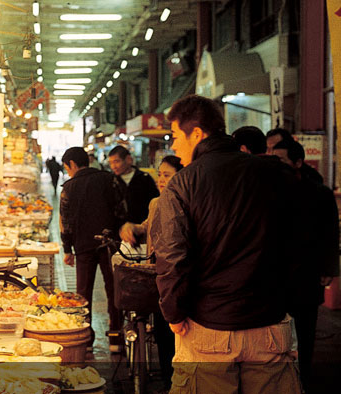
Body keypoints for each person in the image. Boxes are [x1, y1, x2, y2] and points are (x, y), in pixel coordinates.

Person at [151, 95, 302, 393]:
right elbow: (297, 243)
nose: (173, 146)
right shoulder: (275, 174)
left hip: (209, 330)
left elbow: (172, 259)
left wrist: (173, 313)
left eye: (176, 136)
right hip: (270, 327)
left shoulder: (183, 184)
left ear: (197, 133)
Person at [272, 139, 340, 392]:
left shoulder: (319, 192)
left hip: (307, 274)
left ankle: (304, 380)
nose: (275, 165)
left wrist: (329, 268)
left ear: (298, 162)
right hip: (277, 275)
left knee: (305, 330)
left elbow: (330, 233)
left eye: (280, 159)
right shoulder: (270, 190)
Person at [119, 155, 183, 389]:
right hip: (160, 270)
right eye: (160, 174)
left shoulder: (187, 202)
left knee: (176, 329)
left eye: (167, 175)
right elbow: (146, 226)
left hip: (178, 270)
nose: (161, 179)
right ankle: (169, 381)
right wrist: (130, 227)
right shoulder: (156, 203)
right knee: (165, 329)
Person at [59, 147, 127, 349]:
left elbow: (66, 221)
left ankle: (86, 339)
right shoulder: (109, 179)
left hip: (83, 246)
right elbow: (121, 210)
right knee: (114, 289)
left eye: (67, 168)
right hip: (108, 244)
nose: (68, 172)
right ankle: (116, 337)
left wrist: (67, 249)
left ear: (72, 164)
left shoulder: (69, 187)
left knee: (83, 292)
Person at [108, 145, 159, 224]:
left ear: (128, 159)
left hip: (142, 227)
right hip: (119, 230)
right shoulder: (110, 181)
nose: (113, 166)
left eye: (116, 161)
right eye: (110, 163)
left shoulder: (145, 179)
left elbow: (154, 204)